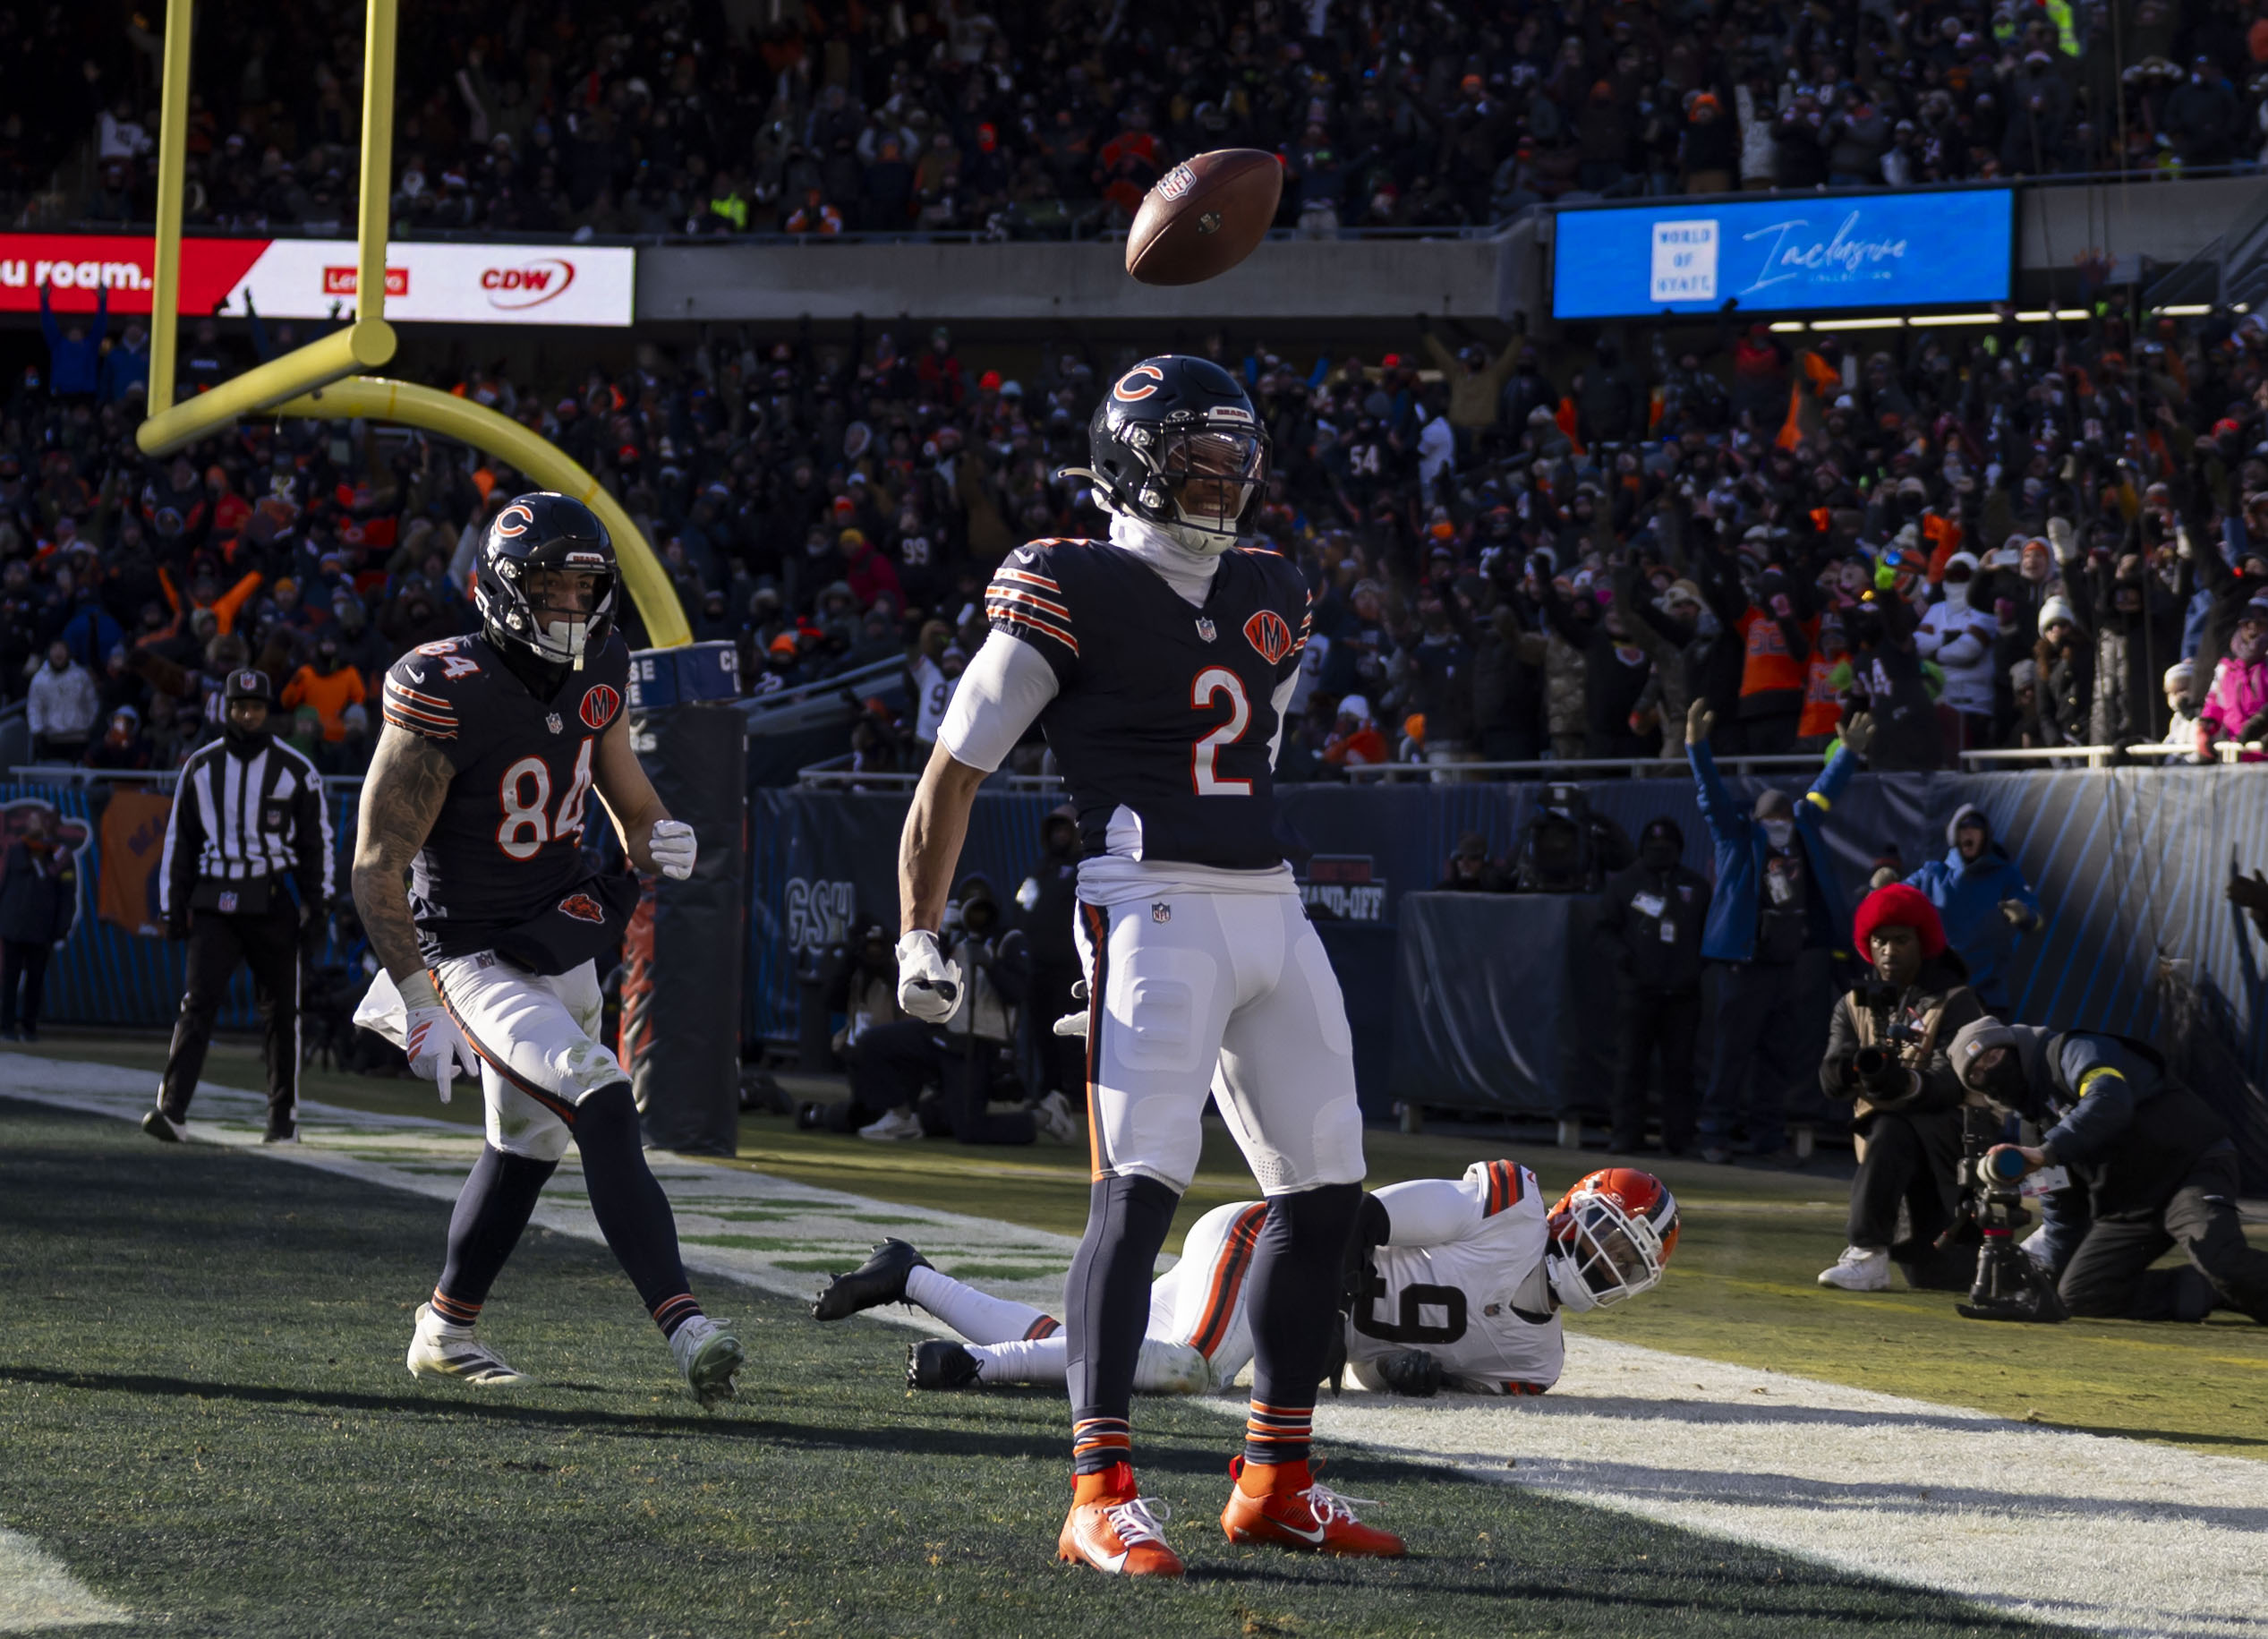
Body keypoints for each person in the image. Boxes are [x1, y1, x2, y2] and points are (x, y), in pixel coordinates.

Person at [891, 355, 1393, 1575]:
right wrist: (914, 926)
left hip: (1268, 900)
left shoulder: (1275, 585)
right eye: (1195, 460)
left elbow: (1255, 747)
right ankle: (1097, 1488)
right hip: (1147, 900)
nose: (1221, 483)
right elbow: (955, 769)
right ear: (1130, 461)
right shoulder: (1068, 580)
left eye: (1236, 460)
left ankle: (1274, 1475)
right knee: (1138, 1191)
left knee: (1326, 1198)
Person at [345, 493, 744, 1405]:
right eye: (551, 586)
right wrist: (415, 999)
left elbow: (628, 798)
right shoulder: (445, 685)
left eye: (584, 585)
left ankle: (444, 1326)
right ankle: (685, 1325)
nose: (571, 604)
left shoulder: (603, 661)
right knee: (599, 1092)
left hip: (558, 930)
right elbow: (377, 863)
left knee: (524, 1143)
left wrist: (657, 834)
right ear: (501, 588)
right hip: (470, 953)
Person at [814, 1164, 1677, 1401]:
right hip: (1279, 1244)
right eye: (1610, 1240)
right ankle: (980, 1369)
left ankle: (910, 1274)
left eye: (1628, 1266)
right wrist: (1350, 1246)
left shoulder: (1540, 1358)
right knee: (1188, 1366)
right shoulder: (1514, 1204)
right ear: (1574, 1209)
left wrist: (1406, 1374)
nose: (1607, 1265)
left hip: (1291, 1311)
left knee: (1092, 1346)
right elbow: (1373, 1215)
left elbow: (1379, 1359)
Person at [1948, 1018, 2268, 1323]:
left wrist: (2047, 1152)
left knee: (2222, 1259)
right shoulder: (2031, 1132)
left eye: (1994, 1055)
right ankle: (2212, 1289)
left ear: (2014, 1046)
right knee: (2082, 1294)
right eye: (1977, 1072)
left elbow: (2109, 1099)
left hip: (2189, 1169)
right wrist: (2037, 1279)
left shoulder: (2073, 1051)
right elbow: (2063, 1218)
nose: (1990, 1069)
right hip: (2131, 1206)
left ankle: (2228, 1278)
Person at [142, 670, 332, 1145]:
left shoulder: (295, 770)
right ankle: (171, 1111)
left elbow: (317, 843)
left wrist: (319, 906)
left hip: (272, 902)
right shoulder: (200, 767)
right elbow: (179, 842)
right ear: (225, 710)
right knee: (197, 1004)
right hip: (214, 904)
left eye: (256, 706)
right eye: (239, 706)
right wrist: (172, 907)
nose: (247, 714)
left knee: (282, 1014)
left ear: (268, 710)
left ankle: (281, 1121)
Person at [1685, 696, 1865, 1162]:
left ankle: (1768, 1136)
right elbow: (1710, 794)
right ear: (1758, 820)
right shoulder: (1737, 837)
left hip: (1787, 964)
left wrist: (1847, 754)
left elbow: (1823, 794)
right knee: (1730, 1055)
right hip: (1743, 967)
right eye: (1772, 818)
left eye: (1785, 817)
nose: (1780, 825)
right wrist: (1696, 747)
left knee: (1776, 1055)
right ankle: (1714, 1135)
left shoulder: (1804, 832)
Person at [1816, 885, 1984, 1292]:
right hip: (1893, 1151)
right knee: (1931, 1275)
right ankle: (1870, 1252)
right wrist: (1854, 1069)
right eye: (1880, 940)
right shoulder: (1853, 1004)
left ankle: (1868, 1251)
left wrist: (1905, 1082)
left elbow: (1951, 1082)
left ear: (1922, 942)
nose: (1889, 950)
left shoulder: (1957, 1001)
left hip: (1953, 1145)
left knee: (1950, 1276)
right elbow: (1830, 1080)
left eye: (1900, 940)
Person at [848, 875, 1076, 1146]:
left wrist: (992, 964)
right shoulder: (954, 935)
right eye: (971, 908)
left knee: (969, 1129)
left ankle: (1043, 1116)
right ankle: (901, 1114)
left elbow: (1018, 993)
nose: (976, 916)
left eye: (982, 908)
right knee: (874, 1043)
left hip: (978, 1045)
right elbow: (922, 980)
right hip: (941, 1033)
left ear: (993, 907)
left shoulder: (1008, 939)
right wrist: (941, 935)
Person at [1595, 816, 1709, 1155]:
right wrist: (1625, 959)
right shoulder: (1625, 884)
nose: (1660, 853)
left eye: (1667, 848)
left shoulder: (1697, 887)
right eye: (1654, 847)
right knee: (1631, 1066)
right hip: (1638, 992)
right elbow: (1603, 930)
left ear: (1679, 850)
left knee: (1680, 1070)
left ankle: (1680, 1139)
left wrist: (1695, 967)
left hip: (1683, 994)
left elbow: (1711, 934)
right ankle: (1626, 1136)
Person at [1901, 805, 2040, 1017]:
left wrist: (2024, 913)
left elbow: (2034, 917)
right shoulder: (1932, 874)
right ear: (1953, 835)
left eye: (1976, 827)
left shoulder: (2005, 875)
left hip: (1988, 997)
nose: (1969, 832)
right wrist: (1881, 885)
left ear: (1985, 836)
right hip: (1938, 994)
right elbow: (1894, 899)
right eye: (1963, 827)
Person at [0, 806, 77, 1040]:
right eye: (33, 823)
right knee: (10, 980)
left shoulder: (62, 856)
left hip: (42, 928)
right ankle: (6, 1027)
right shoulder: (17, 851)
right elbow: (7, 884)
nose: (36, 827)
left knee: (35, 981)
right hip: (13, 925)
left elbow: (67, 894)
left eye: (41, 822)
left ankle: (29, 1028)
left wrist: (61, 926)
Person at [27, 640, 99, 764]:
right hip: (51, 738)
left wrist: (88, 725)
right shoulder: (39, 679)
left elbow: (92, 703)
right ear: (49, 653)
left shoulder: (81, 676)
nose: (58, 653)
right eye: (55, 649)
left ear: (68, 652)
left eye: (62, 649)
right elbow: (34, 707)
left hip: (78, 738)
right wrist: (37, 730)